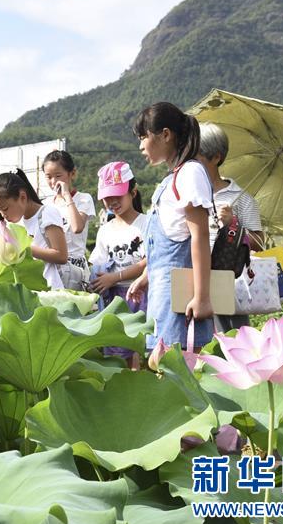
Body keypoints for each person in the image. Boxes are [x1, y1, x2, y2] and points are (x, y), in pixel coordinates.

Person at [127, 102, 214, 350]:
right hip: (163, 291)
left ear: (165, 134)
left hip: (180, 294)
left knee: (173, 361)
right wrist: (147, 276)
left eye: (143, 137)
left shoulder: (190, 173)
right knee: (162, 361)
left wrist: (202, 297)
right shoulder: (173, 177)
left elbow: (200, 236)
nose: (141, 146)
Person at [197, 122, 265, 332]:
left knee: (230, 339)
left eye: (197, 157)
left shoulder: (241, 198)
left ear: (216, 157)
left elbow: (259, 243)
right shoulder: (189, 195)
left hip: (228, 280)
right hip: (193, 278)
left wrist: (232, 224)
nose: (191, 164)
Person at [0, 169, 67, 289]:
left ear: (23, 197)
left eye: (5, 209)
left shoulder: (47, 213)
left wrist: (22, 248)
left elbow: (61, 255)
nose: (3, 215)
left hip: (50, 289)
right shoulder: (16, 223)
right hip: (27, 290)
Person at [89, 162, 148, 312]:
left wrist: (115, 277)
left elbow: (150, 261)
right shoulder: (105, 230)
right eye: (107, 197)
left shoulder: (147, 223)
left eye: (117, 195)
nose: (112, 201)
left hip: (141, 294)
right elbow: (98, 264)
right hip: (114, 299)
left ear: (133, 192)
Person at [42, 150, 96, 290]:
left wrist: (66, 195)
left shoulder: (83, 199)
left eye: (58, 176)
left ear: (72, 173)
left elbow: (77, 227)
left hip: (75, 269)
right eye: (49, 177)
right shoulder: (46, 204)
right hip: (53, 267)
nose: (53, 182)